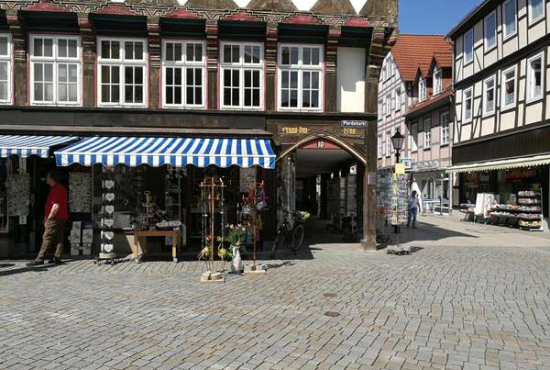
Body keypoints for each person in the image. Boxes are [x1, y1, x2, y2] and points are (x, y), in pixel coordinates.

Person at [27, 170, 68, 266]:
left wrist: (49, 218)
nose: (46, 178)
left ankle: (40, 257)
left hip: (55, 218)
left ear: (52, 178)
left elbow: (56, 206)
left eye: (48, 177)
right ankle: (57, 257)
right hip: (61, 217)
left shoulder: (56, 189)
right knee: (59, 238)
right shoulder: (60, 188)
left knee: (47, 237)